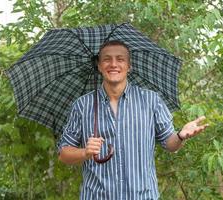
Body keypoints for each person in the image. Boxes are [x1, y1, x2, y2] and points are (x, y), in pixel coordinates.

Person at [58, 40, 208, 199]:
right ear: (99, 66)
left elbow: (170, 144)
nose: (113, 64)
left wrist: (180, 136)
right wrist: (84, 153)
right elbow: (64, 153)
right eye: (107, 59)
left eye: (120, 59)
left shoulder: (151, 100)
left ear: (129, 66)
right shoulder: (83, 105)